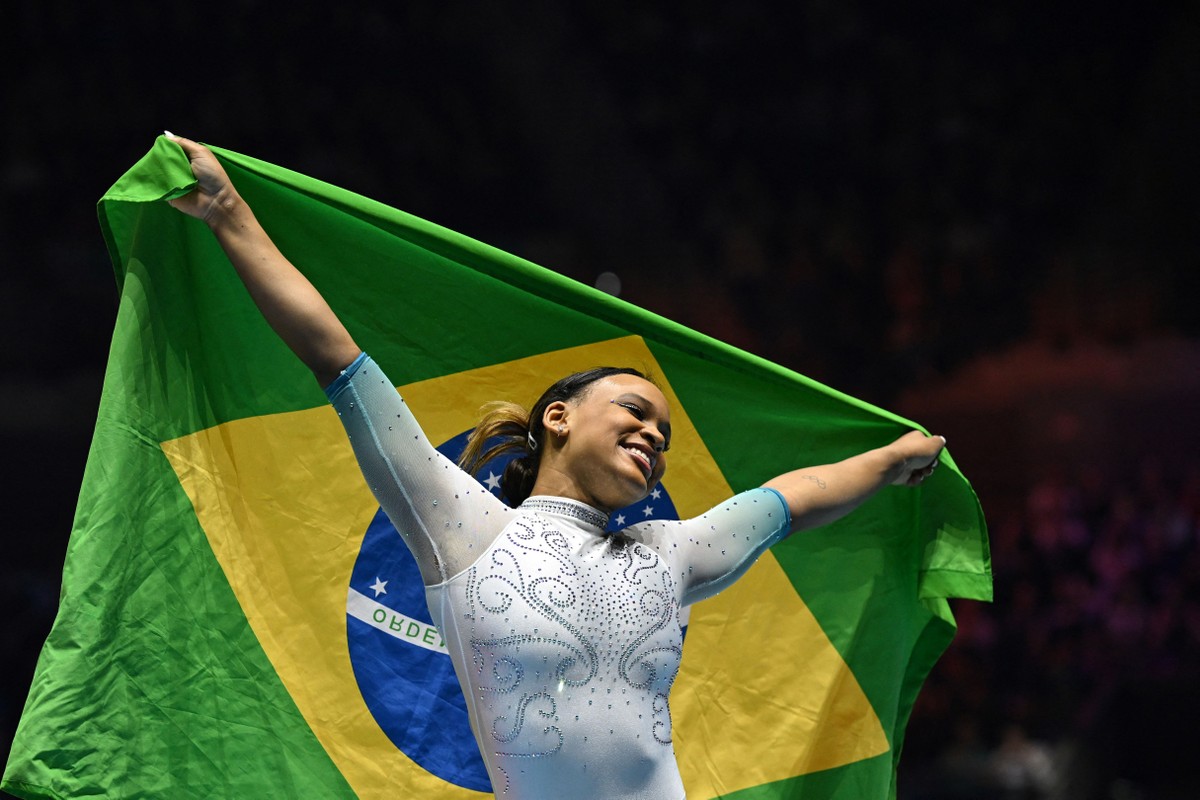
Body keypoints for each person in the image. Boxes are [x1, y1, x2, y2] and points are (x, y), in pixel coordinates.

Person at [164, 133, 945, 800]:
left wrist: (891, 459)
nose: (654, 437)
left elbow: (791, 499)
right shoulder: (462, 530)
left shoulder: (669, 555)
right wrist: (230, 214)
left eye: (665, 434)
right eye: (635, 412)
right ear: (558, 417)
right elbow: (338, 360)